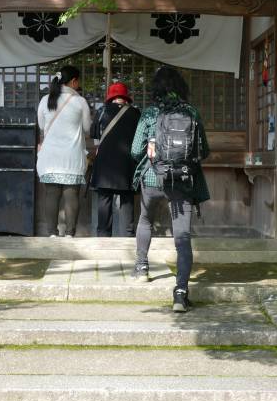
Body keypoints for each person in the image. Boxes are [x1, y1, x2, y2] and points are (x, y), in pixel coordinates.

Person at [130, 67, 210, 312]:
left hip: (153, 179)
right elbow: (203, 151)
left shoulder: (150, 113)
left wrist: (153, 155)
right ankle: (180, 293)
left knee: (145, 220)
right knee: (182, 238)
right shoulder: (191, 112)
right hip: (182, 182)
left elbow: (135, 150)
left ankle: (142, 268)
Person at [36, 65, 91, 238]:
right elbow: (87, 127)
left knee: (51, 194)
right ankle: (69, 234)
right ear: (74, 81)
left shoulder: (45, 100)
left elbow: (41, 125)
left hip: (50, 157)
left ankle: (51, 233)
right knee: (71, 194)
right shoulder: (80, 102)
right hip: (72, 156)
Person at [90, 82, 141, 237]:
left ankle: (103, 235)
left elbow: (94, 134)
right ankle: (127, 234)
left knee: (104, 198)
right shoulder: (135, 113)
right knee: (127, 199)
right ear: (126, 97)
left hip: (105, 163)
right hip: (127, 162)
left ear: (110, 97)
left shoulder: (102, 111)